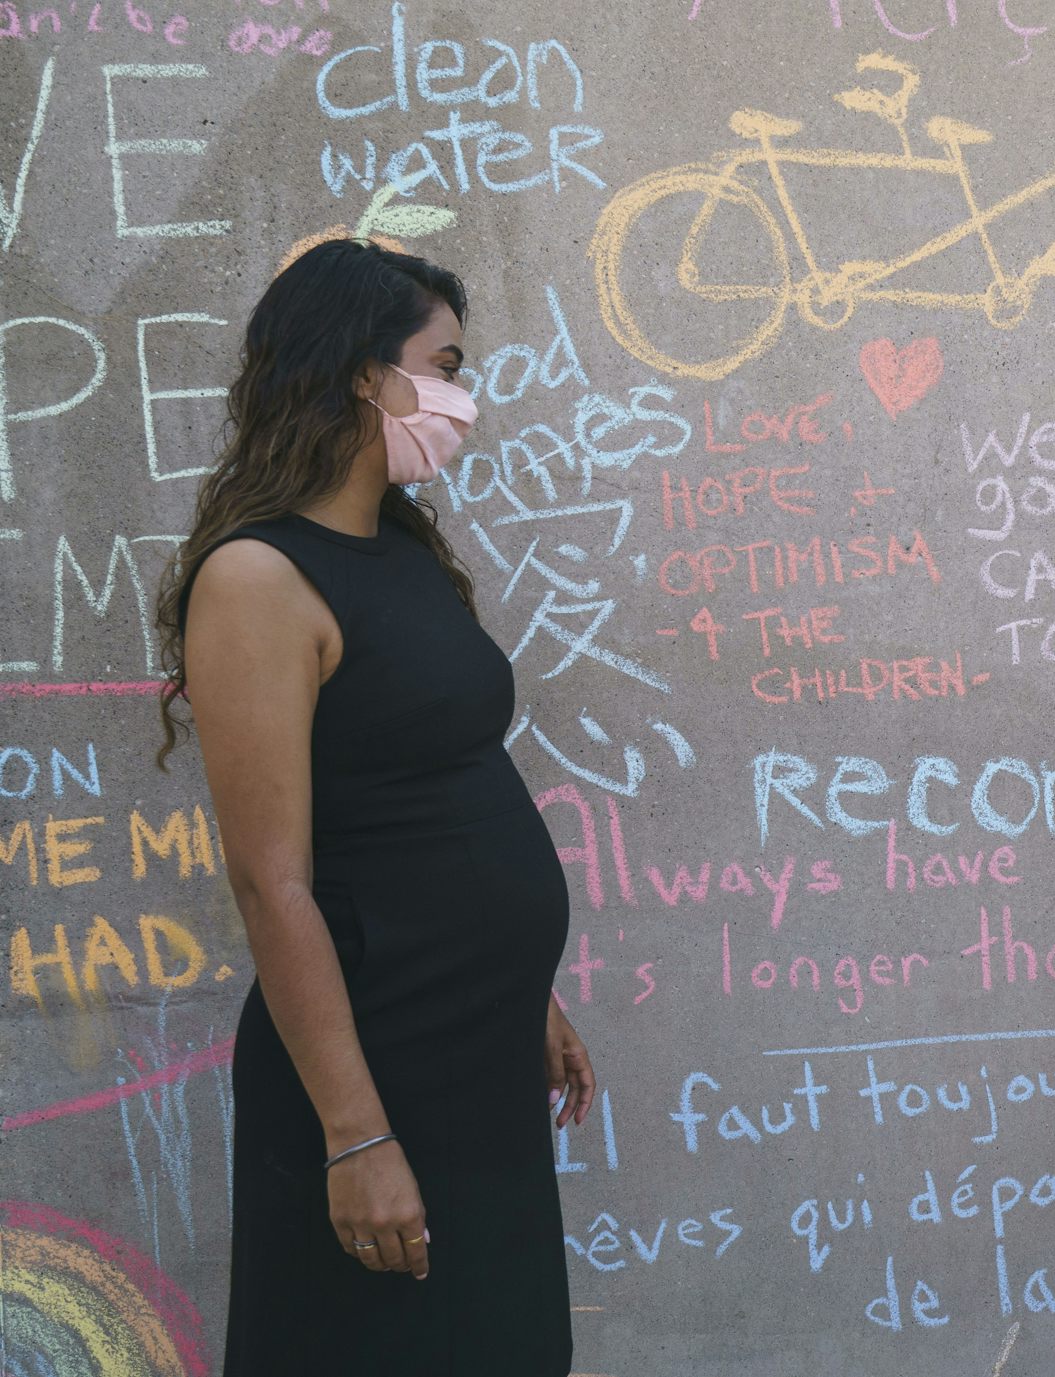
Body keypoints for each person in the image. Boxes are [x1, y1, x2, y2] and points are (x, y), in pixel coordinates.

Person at [153, 239, 591, 1375]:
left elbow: (436, 782)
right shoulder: (256, 579)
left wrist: (524, 992)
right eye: (442, 363)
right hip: (376, 1068)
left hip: (476, 1048)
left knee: (499, 1345)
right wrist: (357, 1135)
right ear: (364, 375)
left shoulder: (397, 547)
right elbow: (272, 879)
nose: (461, 394)